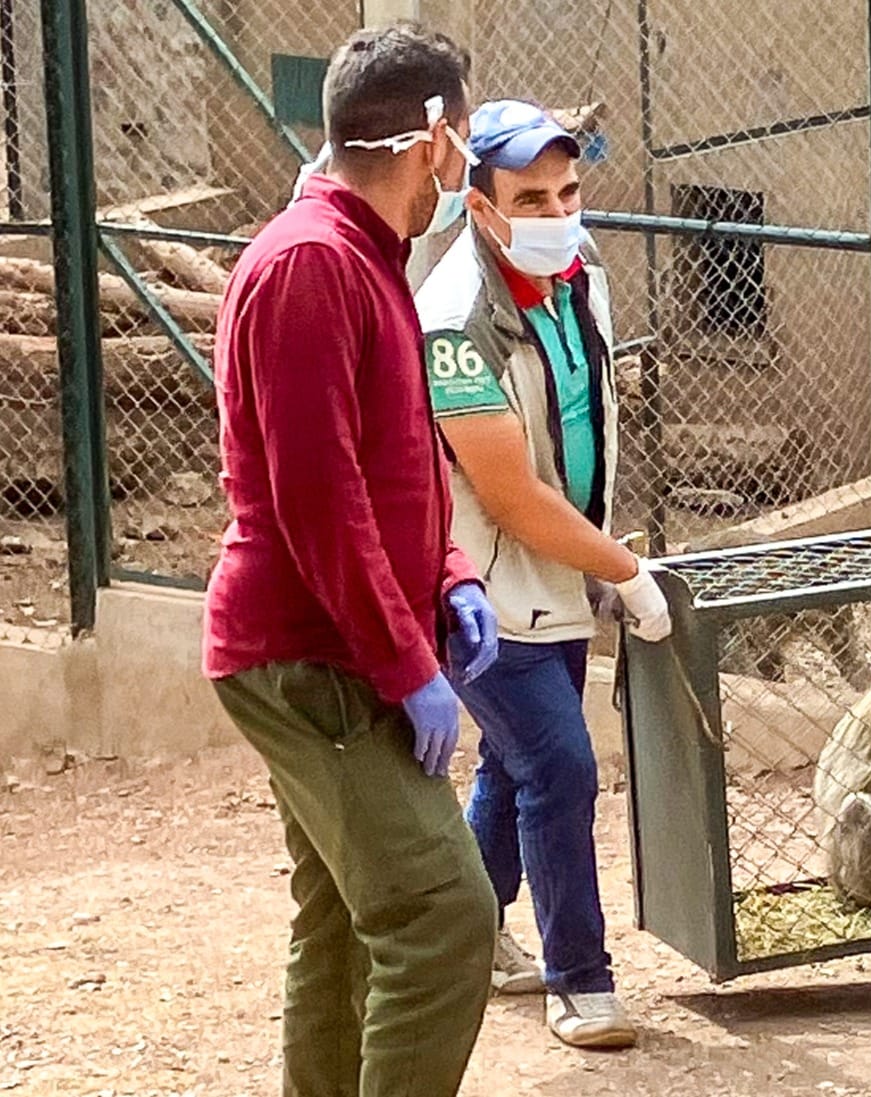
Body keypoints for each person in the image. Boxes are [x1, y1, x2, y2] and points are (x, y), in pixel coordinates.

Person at [203, 23, 502, 1096]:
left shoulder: (359, 257)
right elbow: (318, 497)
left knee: (341, 920)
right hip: (311, 652)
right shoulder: (312, 265)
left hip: (338, 643)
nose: (460, 169)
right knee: (443, 914)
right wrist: (406, 663)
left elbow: (392, 462)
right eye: (460, 142)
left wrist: (450, 575)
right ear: (430, 141)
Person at [414, 99, 672, 1050]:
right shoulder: (453, 321)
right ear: (481, 207)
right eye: (531, 198)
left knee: (516, 760)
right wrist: (627, 571)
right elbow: (512, 497)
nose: (558, 212)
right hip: (481, 591)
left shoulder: (580, 272)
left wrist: (594, 557)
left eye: (568, 191)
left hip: (561, 571)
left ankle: (464, 933)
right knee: (559, 764)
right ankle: (580, 978)